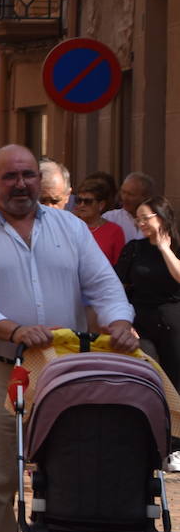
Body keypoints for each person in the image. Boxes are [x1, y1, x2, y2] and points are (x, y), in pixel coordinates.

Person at [0, 144, 139, 532]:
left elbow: (104, 286)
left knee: (69, 473)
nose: (21, 184)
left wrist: (119, 323)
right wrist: (14, 331)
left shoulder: (70, 228)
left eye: (28, 175)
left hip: (63, 372)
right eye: (10, 176)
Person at [114, 196, 180, 471]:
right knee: (150, 377)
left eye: (145, 218)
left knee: (176, 382)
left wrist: (165, 249)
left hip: (174, 322)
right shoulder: (134, 249)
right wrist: (123, 319)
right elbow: (116, 284)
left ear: (162, 218)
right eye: (137, 219)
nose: (140, 224)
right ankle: (153, 443)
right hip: (142, 324)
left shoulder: (175, 246)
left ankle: (175, 448)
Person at [73, 176, 126, 265]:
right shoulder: (70, 227)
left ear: (101, 205)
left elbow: (119, 267)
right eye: (79, 200)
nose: (82, 205)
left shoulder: (114, 231)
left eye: (88, 201)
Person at [104, 171, 156, 244]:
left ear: (145, 197)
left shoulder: (157, 220)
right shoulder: (110, 218)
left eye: (130, 194)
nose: (124, 198)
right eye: (123, 192)